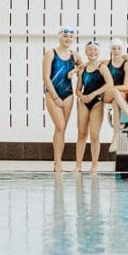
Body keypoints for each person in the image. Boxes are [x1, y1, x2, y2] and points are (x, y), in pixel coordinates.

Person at [44, 27, 82, 173]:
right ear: (60, 37)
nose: (68, 39)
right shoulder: (51, 53)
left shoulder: (74, 55)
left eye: (71, 37)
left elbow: (84, 66)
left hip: (68, 94)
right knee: (59, 126)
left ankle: (58, 161)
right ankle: (57, 162)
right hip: (52, 93)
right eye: (65, 36)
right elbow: (46, 78)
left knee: (62, 129)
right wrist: (55, 97)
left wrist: (74, 71)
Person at [100, 38, 128, 162]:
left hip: (119, 95)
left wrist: (113, 88)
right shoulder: (106, 63)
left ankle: (116, 136)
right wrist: (77, 68)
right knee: (116, 94)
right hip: (107, 95)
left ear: (122, 50)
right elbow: (90, 63)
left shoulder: (127, 65)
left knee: (117, 100)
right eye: (114, 48)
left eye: (118, 48)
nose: (116, 51)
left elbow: (126, 86)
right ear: (110, 50)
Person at [74, 40, 106, 173]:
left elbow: (108, 84)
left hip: (97, 101)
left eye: (95, 50)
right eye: (90, 50)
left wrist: (94, 94)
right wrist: (82, 97)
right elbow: (78, 89)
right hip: (84, 101)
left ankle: (94, 165)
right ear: (86, 52)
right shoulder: (83, 71)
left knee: (94, 134)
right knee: (81, 134)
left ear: (98, 52)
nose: (92, 52)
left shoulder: (102, 67)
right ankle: (78, 165)